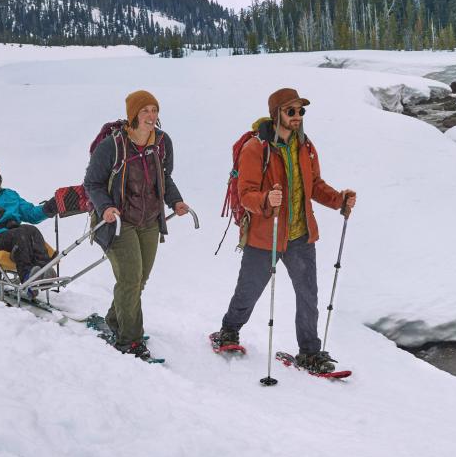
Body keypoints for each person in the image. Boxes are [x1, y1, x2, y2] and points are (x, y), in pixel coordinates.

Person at [216, 87, 357, 372]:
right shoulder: (256, 148)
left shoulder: (305, 146)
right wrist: (266, 199)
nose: (297, 116)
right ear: (276, 113)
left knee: (308, 296)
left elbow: (314, 185)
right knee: (249, 291)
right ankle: (229, 331)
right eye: (290, 111)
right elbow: (246, 194)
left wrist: (339, 200)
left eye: (300, 111)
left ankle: (310, 352)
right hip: (265, 235)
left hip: (300, 235)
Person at [84, 90, 189, 359]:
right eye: (145, 111)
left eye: (154, 110)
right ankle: (129, 340)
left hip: (149, 220)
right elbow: (92, 183)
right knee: (130, 279)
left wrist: (176, 201)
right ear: (133, 114)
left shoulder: (162, 142)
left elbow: (164, 177)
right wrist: (106, 207)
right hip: (118, 222)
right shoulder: (112, 146)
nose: (151, 116)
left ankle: (116, 319)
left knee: (139, 279)